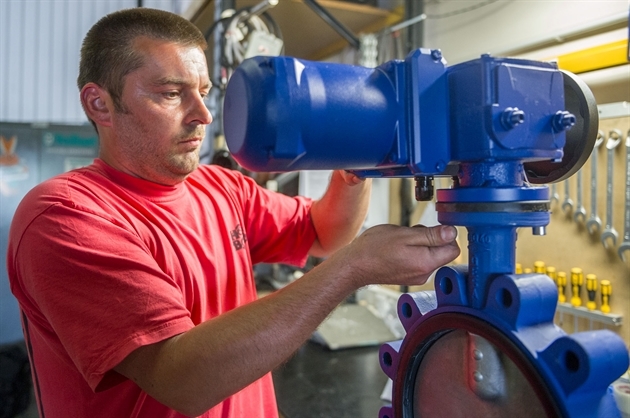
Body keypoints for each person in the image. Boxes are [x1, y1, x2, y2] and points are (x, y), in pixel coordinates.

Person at [6, 8, 460, 418]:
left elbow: (323, 233)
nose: (202, 114)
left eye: (204, 92)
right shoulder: (65, 217)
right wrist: (353, 268)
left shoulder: (221, 188)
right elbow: (180, 379)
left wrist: (355, 163)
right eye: (171, 93)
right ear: (99, 104)